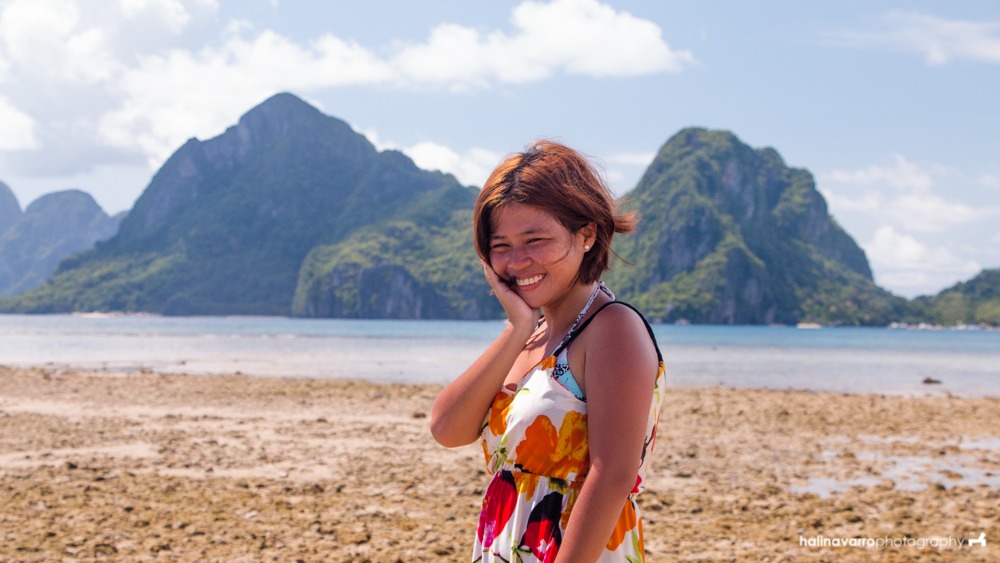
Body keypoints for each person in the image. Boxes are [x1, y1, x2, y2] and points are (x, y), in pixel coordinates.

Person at [430, 140, 667, 562]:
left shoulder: (612, 329)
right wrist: (517, 325)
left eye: (534, 239)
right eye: (500, 245)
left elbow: (612, 475)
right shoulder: (532, 334)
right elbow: (447, 428)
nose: (517, 261)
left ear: (587, 234)